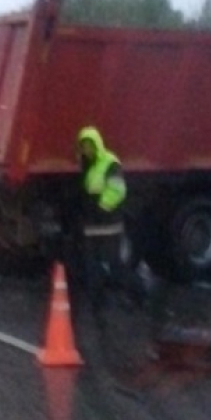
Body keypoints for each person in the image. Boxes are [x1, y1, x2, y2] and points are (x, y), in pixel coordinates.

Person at [75, 125, 140, 310]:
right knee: (92, 266)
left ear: (97, 144)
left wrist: (102, 206)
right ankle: (98, 303)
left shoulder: (110, 163)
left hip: (108, 224)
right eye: (83, 146)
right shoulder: (89, 165)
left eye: (89, 145)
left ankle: (137, 293)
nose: (86, 149)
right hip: (93, 226)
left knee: (115, 265)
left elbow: (117, 189)